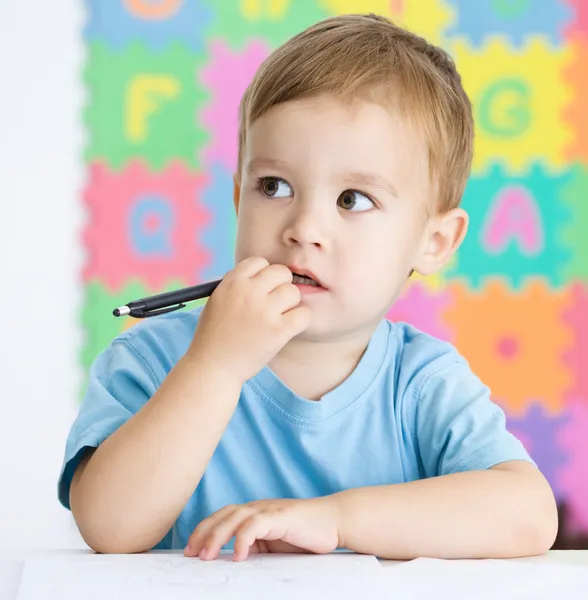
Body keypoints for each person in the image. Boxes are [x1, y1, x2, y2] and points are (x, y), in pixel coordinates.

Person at [59, 13, 558, 561]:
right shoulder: (154, 358)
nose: (303, 229)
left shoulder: (420, 384)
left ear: (434, 241)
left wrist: (337, 519)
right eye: (273, 186)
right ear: (236, 199)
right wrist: (215, 367)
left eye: (352, 200)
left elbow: (529, 518)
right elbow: (108, 526)